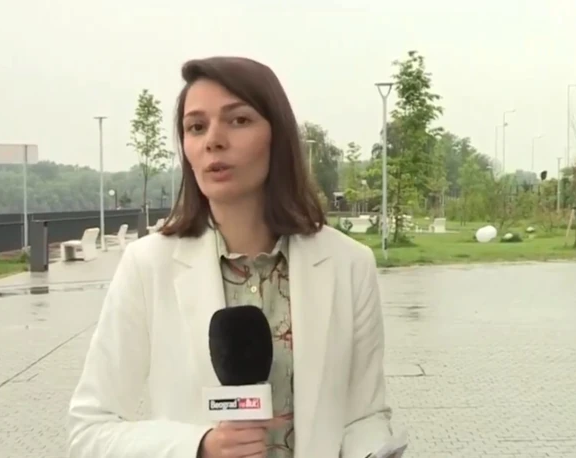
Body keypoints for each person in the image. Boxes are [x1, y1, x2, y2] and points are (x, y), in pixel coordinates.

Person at [67, 56, 394, 458]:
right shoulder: (147, 266)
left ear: (278, 136)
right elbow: (89, 431)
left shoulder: (349, 265)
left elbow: (365, 416)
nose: (213, 140)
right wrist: (198, 447)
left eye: (238, 120)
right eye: (196, 127)